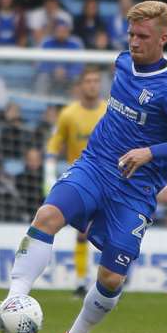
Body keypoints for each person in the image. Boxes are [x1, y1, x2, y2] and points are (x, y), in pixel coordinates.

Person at [0, 1, 167, 333]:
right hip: (95, 166)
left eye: (143, 36)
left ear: (163, 38)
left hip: (135, 190)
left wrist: (150, 152)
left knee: (113, 276)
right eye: (131, 34)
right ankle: (11, 300)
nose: (134, 42)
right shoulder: (122, 63)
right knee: (48, 214)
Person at [44, 66, 107, 297]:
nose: (92, 85)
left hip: (110, 178)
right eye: (88, 81)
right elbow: (55, 142)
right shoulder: (69, 114)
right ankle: (81, 282)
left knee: (108, 232)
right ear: (80, 85)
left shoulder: (109, 111)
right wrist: (49, 169)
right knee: (81, 232)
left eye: (96, 81)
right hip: (81, 179)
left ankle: (108, 280)